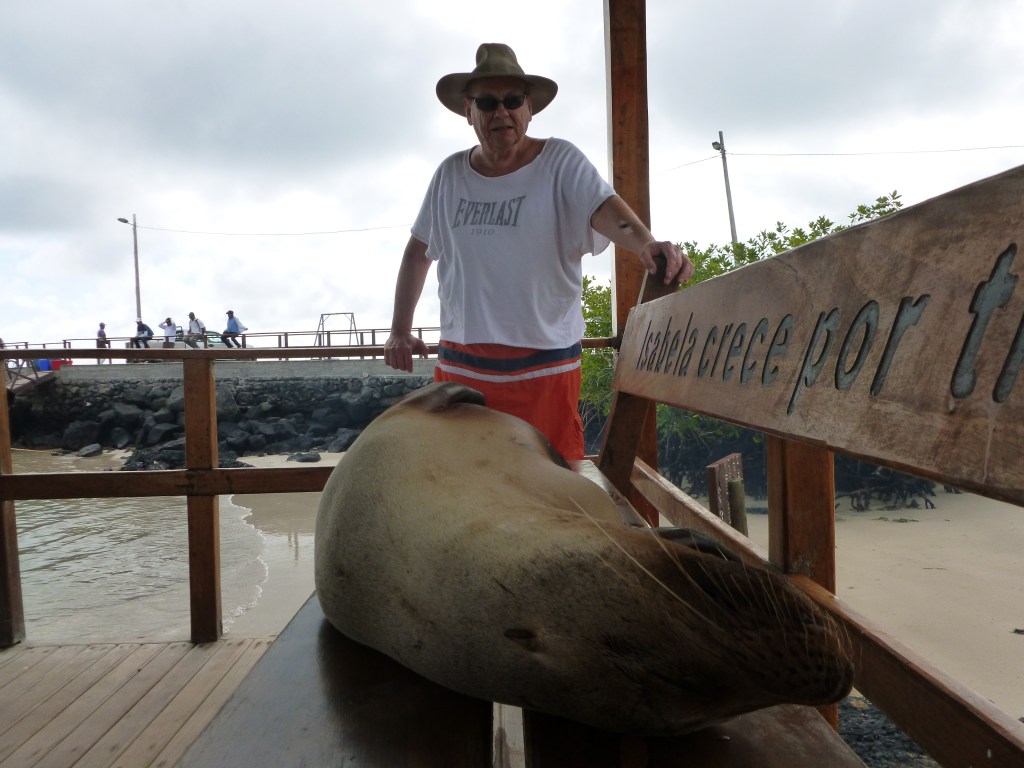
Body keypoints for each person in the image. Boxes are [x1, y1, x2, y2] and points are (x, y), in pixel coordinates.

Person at [383, 43, 693, 461]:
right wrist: (399, 330)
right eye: (487, 103)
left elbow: (605, 209)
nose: (501, 113)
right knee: (466, 488)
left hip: (544, 367)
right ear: (467, 111)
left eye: (513, 101)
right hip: (460, 367)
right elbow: (418, 253)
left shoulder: (560, 161)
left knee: (556, 488)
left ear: (529, 108)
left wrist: (646, 244)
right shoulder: (449, 174)